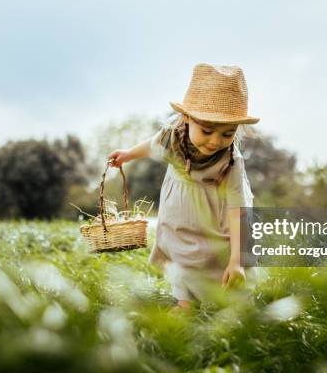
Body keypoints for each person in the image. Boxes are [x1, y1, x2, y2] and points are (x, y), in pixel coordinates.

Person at [107, 63, 259, 312]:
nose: (215, 141)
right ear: (186, 118)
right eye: (207, 131)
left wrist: (236, 260)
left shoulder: (231, 161)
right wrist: (128, 155)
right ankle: (185, 301)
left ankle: (233, 299)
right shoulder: (171, 136)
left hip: (216, 217)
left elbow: (238, 210)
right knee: (179, 252)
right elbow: (152, 145)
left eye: (227, 134)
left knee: (215, 254)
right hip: (178, 213)